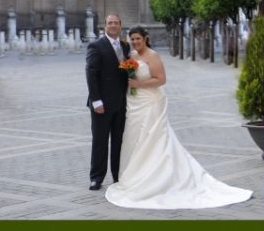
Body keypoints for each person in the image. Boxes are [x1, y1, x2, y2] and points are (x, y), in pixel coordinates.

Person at [105, 25, 253, 209]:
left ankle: (157, 176)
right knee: (134, 137)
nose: (135, 42)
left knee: (152, 137)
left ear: (146, 39)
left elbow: (161, 79)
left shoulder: (152, 56)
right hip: (135, 103)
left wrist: (138, 83)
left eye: (138, 39)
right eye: (133, 39)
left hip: (151, 102)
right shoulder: (132, 56)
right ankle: (135, 175)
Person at [85, 13, 130, 190]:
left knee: (118, 141)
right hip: (101, 104)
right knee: (100, 141)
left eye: (116, 23)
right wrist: (96, 100)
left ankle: (117, 175)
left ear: (120, 26)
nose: (113, 25)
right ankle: (96, 177)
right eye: (110, 23)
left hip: (120, 103)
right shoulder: (96, 46)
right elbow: (91, 73)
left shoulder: (125, 46)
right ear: (105, 26)